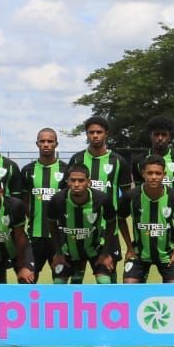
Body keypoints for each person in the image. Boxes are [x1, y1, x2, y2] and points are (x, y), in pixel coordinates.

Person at [68, 115, 132, 279]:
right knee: (76, 278)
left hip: (109, 230)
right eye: (91, 132)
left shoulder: (118, 162)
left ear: (106, 134)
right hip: (80, 229)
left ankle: (113, 304)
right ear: (86, 134)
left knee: (108, 276)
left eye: (99, 132)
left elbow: (126, 197)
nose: (95, 136)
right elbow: (68, 192)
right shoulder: (77, 159)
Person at [120, 155, 174, 283]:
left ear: (164, 174)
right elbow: (121, 219)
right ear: (143, 174)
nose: (154, 177)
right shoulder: (131, 196)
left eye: (158, 173)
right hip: (139, 254)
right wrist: (129, 248)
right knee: (129, 286)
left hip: (168, 255)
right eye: (150, 173)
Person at [46, 163, 117, 284]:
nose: (76, 184)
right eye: (73, 180)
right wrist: (58, 253)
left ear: (88, 182)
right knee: (58, 284)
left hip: (95, 248)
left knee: (104, 282)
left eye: (81, 180)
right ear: (68, 182)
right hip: (67, 251)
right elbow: (52, 225)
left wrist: (105, 253)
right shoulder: (57, 200)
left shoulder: (102, 199)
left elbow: (111, 223)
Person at [20, 128, 67, 281]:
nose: (46, 144)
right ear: (37, 144)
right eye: (42, 141)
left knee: (61, 280)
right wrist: (33, 217)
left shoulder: (66, 170)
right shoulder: (27, 170)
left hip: (60, 237)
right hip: (35, 235)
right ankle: (27, 305)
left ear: (56, 144)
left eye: (50, 141)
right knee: (27, 280)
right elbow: (24, 201)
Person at [133, 116, 174, 195]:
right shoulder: (139, 160)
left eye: (164, 134)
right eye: (156, 134)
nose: (160, 138)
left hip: (173, 207)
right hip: (146, 207)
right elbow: (138, 190)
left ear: (169, 136)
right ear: (150, 136)